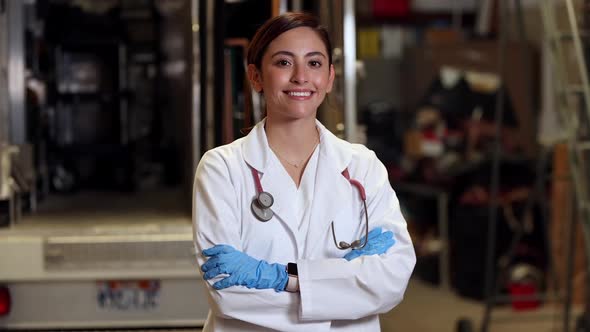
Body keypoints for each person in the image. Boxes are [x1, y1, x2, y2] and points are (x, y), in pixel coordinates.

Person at [192, 12, 416, 332]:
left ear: (329, 77)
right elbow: (226, 292)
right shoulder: (222, 168)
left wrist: (286, 280)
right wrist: (345, 286)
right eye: (283, 63)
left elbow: (392, 280)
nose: (300, 76)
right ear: (255, 76)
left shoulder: (363, 168)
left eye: (314, 63)